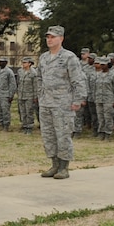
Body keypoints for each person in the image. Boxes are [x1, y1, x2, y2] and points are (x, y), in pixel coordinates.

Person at [37, 25, 86, 180]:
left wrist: (78, 99)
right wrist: (40, 95)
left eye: (53, 37)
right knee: (48, 135)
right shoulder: (43, 57)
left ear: (61, 38)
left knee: (63, 135)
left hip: (63, 104)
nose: (49, 39)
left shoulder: (69, 57)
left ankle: (64, 167)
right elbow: (39, 78)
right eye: (48, 37)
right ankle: (54, 164)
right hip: (46, 103)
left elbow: (78, 80)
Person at [0, 58, 16, 131]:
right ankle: (1, 125)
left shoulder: (9, 72)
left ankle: (6, 126)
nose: (1, 63)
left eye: (2, 62)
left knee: (5, 111)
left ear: (6, 63)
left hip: (5, 95)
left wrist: (11, 95)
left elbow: (12, 84)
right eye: (0, 62)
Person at [17, 57, 39, 134]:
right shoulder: (20, 71)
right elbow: (18, 84)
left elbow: (35, 86)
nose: (23, 64)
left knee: (29, 112)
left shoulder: (33, 73)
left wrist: (35, 97)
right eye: (22, 62)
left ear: (29, 63)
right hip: (21, 95)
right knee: (22, 112)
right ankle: (24, 125)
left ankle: (29, 127)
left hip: (30, 96)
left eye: (25, 62)